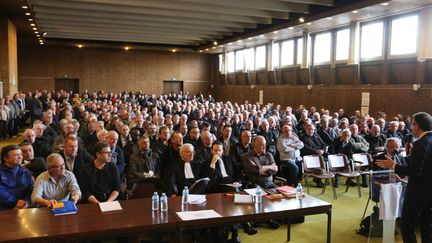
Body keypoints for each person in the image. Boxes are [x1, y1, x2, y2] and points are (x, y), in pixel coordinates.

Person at [376, 112, 432, 243]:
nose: (411, 128)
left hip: (418, 193)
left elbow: (415, 172)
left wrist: (393, 165)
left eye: (413, 124)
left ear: (417, 125)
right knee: (427, 228)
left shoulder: (420, 143)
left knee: (407, 226)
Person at [0, 145, 34, 210]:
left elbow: (31, 190)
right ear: (5, 158)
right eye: (17, 155)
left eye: (21, 154)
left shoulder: (26, 172)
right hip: (3, 209)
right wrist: (15, 202)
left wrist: (26, 203)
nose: (20, 157)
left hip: (23, 208)